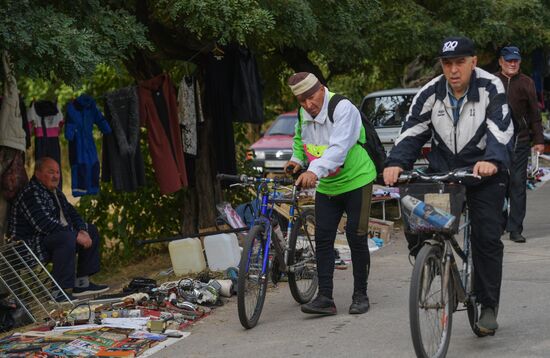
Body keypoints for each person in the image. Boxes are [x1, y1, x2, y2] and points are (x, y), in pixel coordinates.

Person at [383, 36, 514, 335]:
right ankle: (431, 264)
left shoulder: (491, 87)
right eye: (447, 64)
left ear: (473, 62)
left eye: (459, 63)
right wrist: (395, 163)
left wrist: (492, 160)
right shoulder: (431, 91)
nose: (453, 70)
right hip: (444, 171)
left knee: (486, 238)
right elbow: (413, 130)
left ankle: (488, 305)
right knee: (417, 220)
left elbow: (500, 128)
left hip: (484, 172)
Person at [284, 72, 377, 315]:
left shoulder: (343, 108)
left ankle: (360, 295)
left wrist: (313, 171)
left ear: (322, 88)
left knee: (356, 238)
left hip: (357, 180)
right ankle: (325, 297)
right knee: (323, 240)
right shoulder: (304, 113)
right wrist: (296, 160)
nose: (308, 105)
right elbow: (300, 140)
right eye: (302, 101)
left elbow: (338, 149)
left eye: (311, 97)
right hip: (328, 185)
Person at [7, 157, 109, 300]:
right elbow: (44, 224)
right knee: (66, 238)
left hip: (51, 239)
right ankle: (57, 292)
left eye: (57, 172)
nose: (56, 176)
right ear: (38, 173)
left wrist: (82, 231)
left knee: (90, 229)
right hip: (28, 246)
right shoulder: (31, 193)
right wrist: (74, 235)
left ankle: (82, 284)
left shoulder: (55, 192)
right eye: (51, 172)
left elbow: (73, 214)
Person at [495, 46, 545, 243]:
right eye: (508, 60)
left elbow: (535, 115)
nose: (512, 64)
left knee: (517, 185)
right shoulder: (491, 81)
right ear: (500, 61)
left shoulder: (527, 83)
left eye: (515, 60)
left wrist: (538, 140)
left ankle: (515, 228)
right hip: (495, 142)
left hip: (520, 141)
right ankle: (499, 223)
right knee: (498, 185)